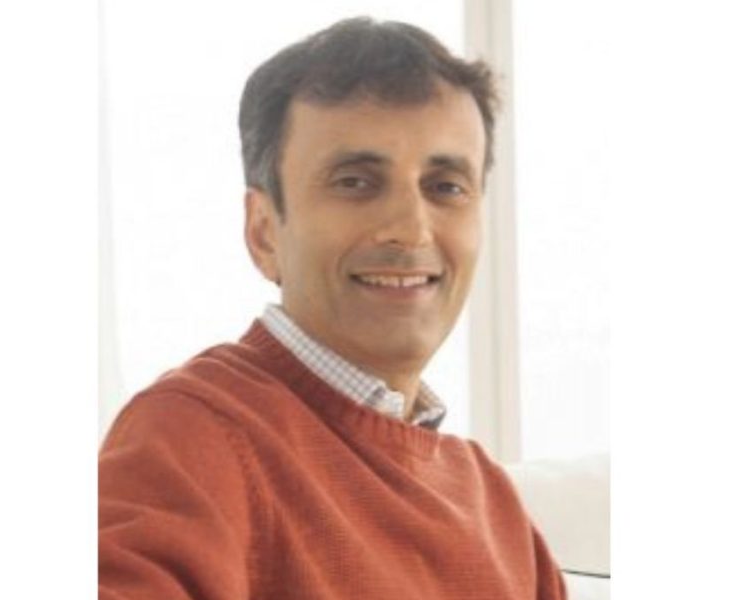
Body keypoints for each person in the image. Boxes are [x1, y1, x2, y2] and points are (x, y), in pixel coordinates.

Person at [99, 17, 566, 600]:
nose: (410, 229)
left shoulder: (493, 502)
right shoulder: (191, 435)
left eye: (445, 186)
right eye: (355, 183)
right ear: (264, 232)